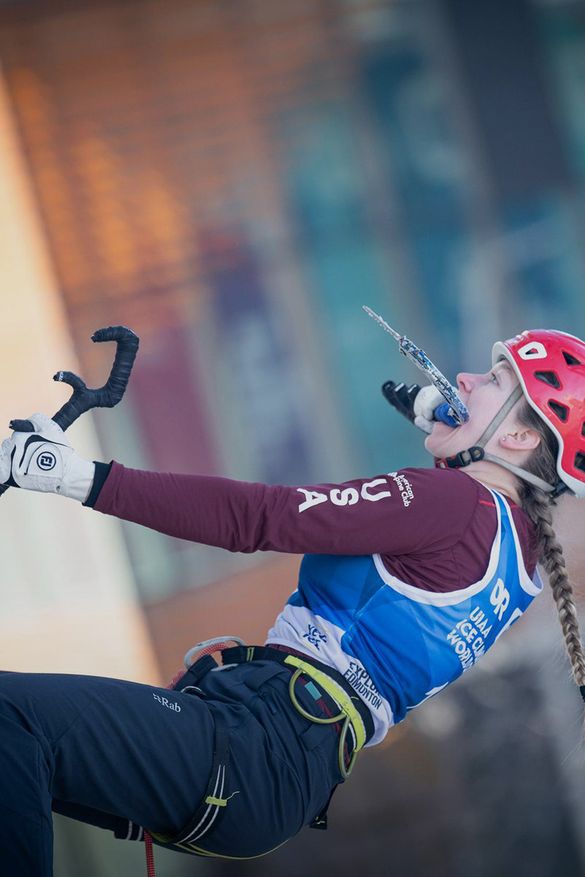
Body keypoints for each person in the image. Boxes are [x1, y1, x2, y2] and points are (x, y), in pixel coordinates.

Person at [1, 328, 584, 876]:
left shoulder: (453, 505)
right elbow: (435, 557)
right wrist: (457, 439)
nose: (463, 380)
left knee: (11, 717)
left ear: (520, 438)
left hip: (255, 741)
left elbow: (260, 517)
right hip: (278, 772)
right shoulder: (521, 560)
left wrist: (71, 475)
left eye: (493, 380)